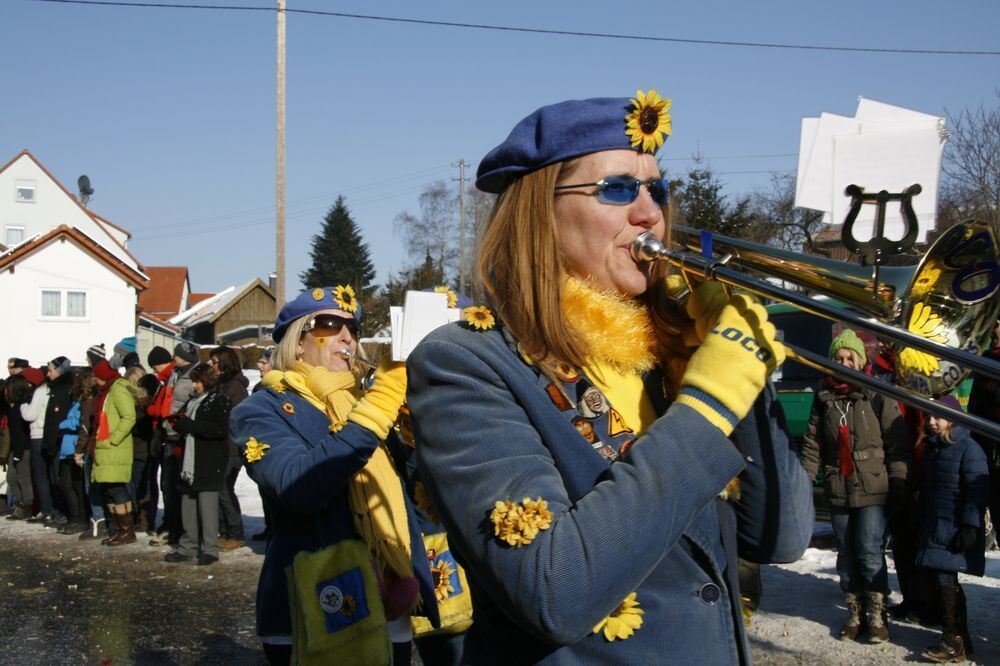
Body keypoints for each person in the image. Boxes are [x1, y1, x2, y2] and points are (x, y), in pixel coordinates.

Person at [406, 91, 813, 664]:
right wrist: (708, 404)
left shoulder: (662, 357)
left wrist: (745, 372)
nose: (650, 214)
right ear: (540, 211)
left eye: (657, 189)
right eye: (618, 188)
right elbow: (554, 593)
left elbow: (780, 537)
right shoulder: (466, 363)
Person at [230, 286, 441, 665]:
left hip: (389, 598)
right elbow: (299, 486)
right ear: (297, 343)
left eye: (353, 328)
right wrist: (376, 411)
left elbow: (410, 491)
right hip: (313, 601)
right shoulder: (260, 409)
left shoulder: (362, 402)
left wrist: (415, 430)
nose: (347, 336)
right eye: (329, 324)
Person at [800, 329, 907, 643]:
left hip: (874, 486)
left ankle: (877, 615)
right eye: (839, 357)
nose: (844, 362)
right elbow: (812, 445)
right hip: (838, 485)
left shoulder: (876, 394)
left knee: (870, 551)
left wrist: (899, 480)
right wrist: (804, 483)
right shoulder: (824, 397)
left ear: (860, 360)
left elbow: (896, 441)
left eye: (850, 357)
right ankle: (855, 613)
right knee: (846, 553)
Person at [914, 395, 989, 662]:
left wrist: (970, 526)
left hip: (954, 529)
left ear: (954, 418)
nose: (932, 422)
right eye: (929, 417)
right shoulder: (935, 448)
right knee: (945, 584)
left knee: (947, 584)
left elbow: (976, 491)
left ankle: (952, 641)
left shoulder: (969, 449)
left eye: (938, 417)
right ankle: (960, 640)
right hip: (937, 527)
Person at [164, 363, 231, 566]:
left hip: (209, 461)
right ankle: (188, 546)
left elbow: (220, 429)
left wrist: (190, 425)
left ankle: (210, 548)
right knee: (188, 506)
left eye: (197, 381)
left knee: (207, 508)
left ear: (207, 381)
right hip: (190, 462)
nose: (194, 385)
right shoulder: (194, 401)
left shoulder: (219, 401)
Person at [152, 341, 199, 546]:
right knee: (168, 484)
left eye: (176, 355)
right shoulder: (176, 373)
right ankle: (172, 524)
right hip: (168, 433)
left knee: (178, 486)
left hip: (181, 434)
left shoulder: (194, 376)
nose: (173, 358)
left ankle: (180, 529)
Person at [91, 359, 137, 545]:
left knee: (116, 489)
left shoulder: (118, 390)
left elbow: (129, 417)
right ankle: (119, 529)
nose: (95, 380)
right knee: (109, 489)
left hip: (114, 448)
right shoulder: (108, 391)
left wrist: (113, 438)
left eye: (97, 376)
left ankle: (127, 530)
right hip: (106, 448)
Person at [210, 345, 249, 550]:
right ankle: (225, 531)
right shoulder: (221, 385)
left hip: (231, 447)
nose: (213, 367)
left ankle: (235, 533)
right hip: (220, 446)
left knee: (224, 490)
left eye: (215, 363)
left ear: (225, 364)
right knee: (219, 490)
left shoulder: (235, 388)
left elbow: (238, 419)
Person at [56, 368, 92, 534]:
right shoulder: (76, 399)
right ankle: (75, 517)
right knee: (67, 484)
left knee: (73, 484)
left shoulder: (83, 401)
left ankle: (79, 518)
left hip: (73, 446)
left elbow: (77, 423)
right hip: (67, 446)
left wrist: (61, 424)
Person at [4, 371, 40, 520]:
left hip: (23, 448)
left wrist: (18, 453)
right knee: (12, 477)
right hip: (16, 448)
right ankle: (19, 506)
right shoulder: (13, 407)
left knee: (23, 477)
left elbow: (21, 434)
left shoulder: (21, 407)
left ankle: (27, 506)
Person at [20, 362, 53, 522]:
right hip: (49, 434)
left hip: (37, 435)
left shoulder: (39, 392)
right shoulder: (50, 390)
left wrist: (23, 406)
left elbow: (30, 415)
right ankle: (51, 508)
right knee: (51, 474)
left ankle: (46, 509)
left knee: (40, 476)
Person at [250, 348, 273, 542]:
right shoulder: (258, 387)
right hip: (259, 446)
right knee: (264, 492)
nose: (259, 366)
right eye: (258, 362)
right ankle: (270, 527)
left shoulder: (282, 385)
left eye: (263, 362)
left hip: (275, 446)